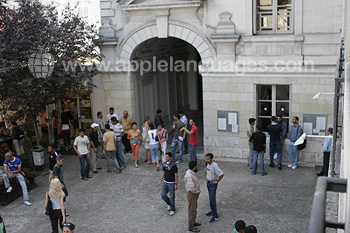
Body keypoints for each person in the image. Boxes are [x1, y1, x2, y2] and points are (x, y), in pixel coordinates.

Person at [205, 153, 224, 223]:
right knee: (210, 199)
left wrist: (216, 181)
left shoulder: (215, 166)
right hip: (208, 183)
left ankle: (216, 216)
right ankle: (212, 211)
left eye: (208, 159)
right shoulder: (207, 164)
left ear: (211, 159)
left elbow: (221, 174)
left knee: (212, 200)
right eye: (206, 159)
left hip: (213, 185)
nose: (207, 160)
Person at [184, 161, 201, 232]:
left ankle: (193, 222)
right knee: (192, 210)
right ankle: (191, 226)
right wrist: (198, 191)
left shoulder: (190, 173)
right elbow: (191, 188)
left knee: (194, 208)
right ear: (194, 167)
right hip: (192, 194)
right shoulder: (189, 176)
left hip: (192, 194)